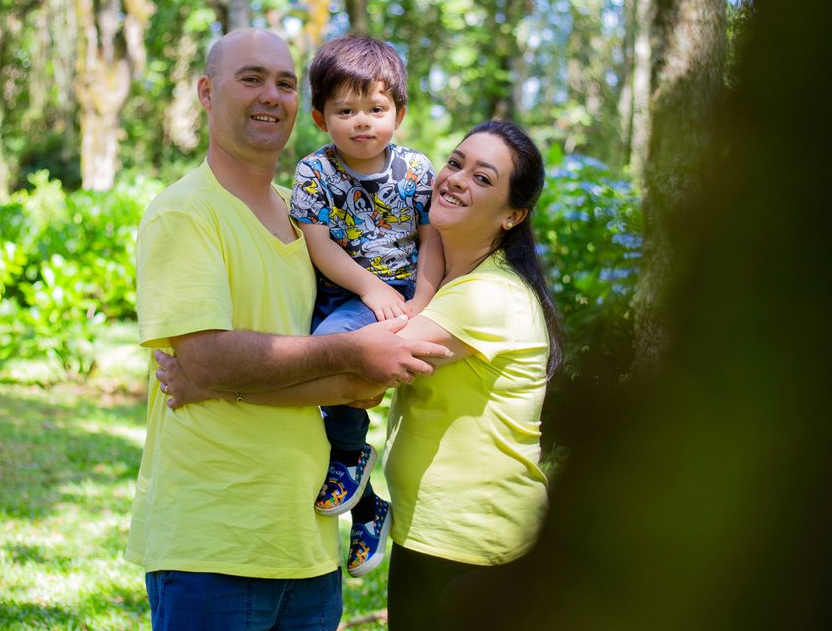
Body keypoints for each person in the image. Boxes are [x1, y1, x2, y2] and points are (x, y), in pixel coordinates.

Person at [156, 120, 564, 631]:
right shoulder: (447, 283)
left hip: (483, 543)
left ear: (513, 215)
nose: (457, 178)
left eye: (483, 178)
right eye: (456, 163)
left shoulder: (487, 297)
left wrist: (215, 382)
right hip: (430, 533)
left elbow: (361, 379)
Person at [127, 27, 449, 631]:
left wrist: (355, 365)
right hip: (215, 544)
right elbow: (211, 360)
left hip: (309, 541)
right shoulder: (183, 213)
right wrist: (352, 357)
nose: (270, 95)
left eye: (283, 82)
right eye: (250, 78)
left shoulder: (306, 217)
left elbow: (359, 380)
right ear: (206, 91)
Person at [289, 35, 445, 578]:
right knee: (305, 380)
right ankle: (370, 506)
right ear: (319, 116)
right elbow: (318, 244)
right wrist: (369, 288)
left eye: (376, 109)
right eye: (345, 110)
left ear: (398, 113)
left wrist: (419, 301)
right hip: (339, 291)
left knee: (330, 356)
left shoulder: (416, 172)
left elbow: (431, 240)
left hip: (400, 293)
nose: (362, 122)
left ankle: (353, 460)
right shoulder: (313, 173)